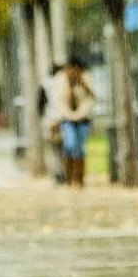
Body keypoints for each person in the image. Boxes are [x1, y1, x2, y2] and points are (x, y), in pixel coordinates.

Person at [53, 57, 95, 188]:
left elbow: (90, 97)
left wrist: (81, 83)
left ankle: (80, 178)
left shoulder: (85, 79)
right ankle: (69, 178)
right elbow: (61, 101)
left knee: (80, 148)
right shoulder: (62, 81)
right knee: (70, 146)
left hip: (83, 119)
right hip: (67, 119)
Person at [39, 64, 66, 184]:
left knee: (54, 149)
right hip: (63, 119)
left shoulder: (45, 84)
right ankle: (64, 173)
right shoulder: (63, 83)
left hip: (50, 120)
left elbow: (40, 105)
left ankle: (57, 174)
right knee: (64, 148)